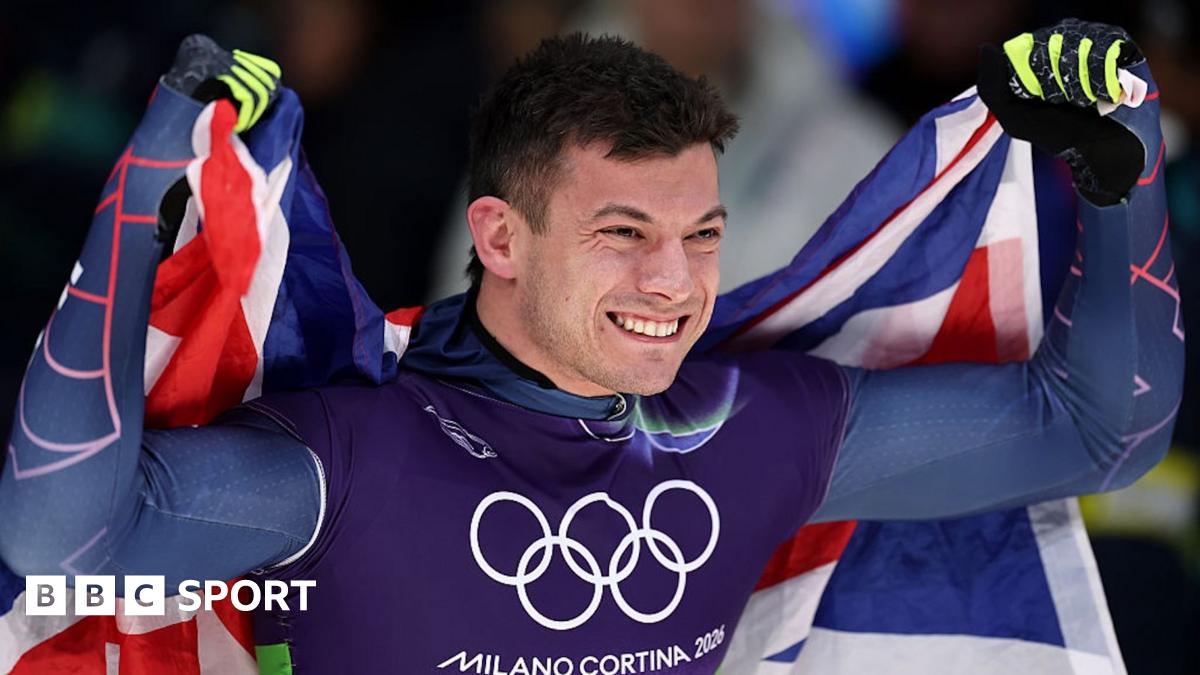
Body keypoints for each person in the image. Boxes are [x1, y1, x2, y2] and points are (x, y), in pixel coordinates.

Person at [0, 19, 1181, 673]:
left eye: (701, 235)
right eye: (623, 236)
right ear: (499, 237)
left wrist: (1119, 174)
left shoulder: (751, 430)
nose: (674, 283)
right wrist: (138, 204)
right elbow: (62, 540)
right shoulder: (356, 455)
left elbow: (1097, 433)